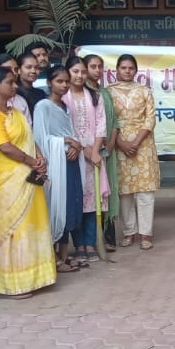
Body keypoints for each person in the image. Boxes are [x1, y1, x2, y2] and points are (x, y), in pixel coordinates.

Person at [0, 66, 56, 297]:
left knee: (33, 223)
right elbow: (4, 146)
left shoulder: (15, 111)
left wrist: (40, 158)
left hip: (28, 175)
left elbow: (29, 138)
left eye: (15, 82)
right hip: (5, 180)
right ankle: (10, 285)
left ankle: (35, 277)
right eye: (10, 82)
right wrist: (32, 161)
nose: (15, 86)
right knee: (12, 229)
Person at [32, 64, 84, 274]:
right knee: (55, 207)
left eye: (66, 81)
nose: (64, 85)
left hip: (70, 162)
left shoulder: (66, 107)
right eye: (59, 81)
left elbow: (72, 133)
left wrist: (76, 146)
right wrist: (66, 141)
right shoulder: (43, 106)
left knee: (70, 206)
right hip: (55, 165)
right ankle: (52, 258)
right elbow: (40, 138)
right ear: (49, 83)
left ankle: (63, 256)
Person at [110, 54, 161, 250]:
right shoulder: (108, 92)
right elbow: (108, 121)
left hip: (143, 145)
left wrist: (136, 142)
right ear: (117, 69)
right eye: (123, 68)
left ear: (136, 70)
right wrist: (121, 143)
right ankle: (129, 232)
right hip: (119, 143)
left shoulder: (145, 91)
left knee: (145, 191)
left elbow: (150, 119)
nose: (127, 71)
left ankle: (145, 234)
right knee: (125, 192)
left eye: (131, 68)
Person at [63, 56, 111, 264]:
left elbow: (101, 124)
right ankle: (79, 245)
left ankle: (91, 243)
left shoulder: (94, 96)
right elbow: (63, 127)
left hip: (93, 156)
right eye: (75, 71)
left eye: (83, 71)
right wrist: (81, 149)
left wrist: (96, 150)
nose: (80, 75)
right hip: (72, 155)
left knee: (93, 201)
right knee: (77, 200)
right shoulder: (63, 97)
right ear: (68, 72)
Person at [84, 53, 121, 246]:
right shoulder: (81, 92)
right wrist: (93, 148)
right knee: (91, 195)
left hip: (107, 151)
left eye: (100, 66)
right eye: (93, 66)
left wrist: (111, 143)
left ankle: (108, 236)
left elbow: (114, 121)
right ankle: (91, 240)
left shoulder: (105, 93)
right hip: (88, 151)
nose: (97, 70)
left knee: (108, 190)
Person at [17, 52, 46, 117]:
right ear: (18, 70)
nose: (33, 71)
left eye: (36, 67)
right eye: (29, 67)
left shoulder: (41, 94)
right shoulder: (15, 93)